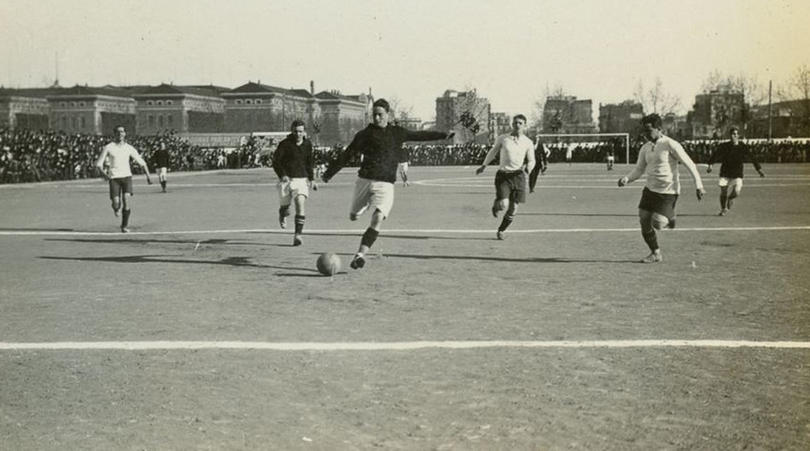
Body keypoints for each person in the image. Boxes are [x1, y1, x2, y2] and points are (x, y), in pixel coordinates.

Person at [322, 98, 452, 269]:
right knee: (353, 216)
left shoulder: (397, 132)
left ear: (387, 115)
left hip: (386, 183)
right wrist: (329, 173)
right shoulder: (364, 135)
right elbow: (347, 155)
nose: (376, 118)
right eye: (374, 115)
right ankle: (361, 207)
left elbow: (420, 135)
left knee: (378, 217)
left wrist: (443, 134)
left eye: (380, 115)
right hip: (365, 180)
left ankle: (360, 255)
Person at [618, 114, 705, 263]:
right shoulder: (645, 148)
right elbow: (639, 169)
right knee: (644, 219)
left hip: (668, 192)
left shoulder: (670, 144)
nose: (645, 134)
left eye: (648, 130)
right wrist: (627, 179)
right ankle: (655, 253)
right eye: (644, 131)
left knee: (657, 223)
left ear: (659, 129)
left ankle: (670, 217)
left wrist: (699, 185)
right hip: (650, 190)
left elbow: (689, 164)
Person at [475, 114, 536, 240]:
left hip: (518, 176)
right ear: (512, 124)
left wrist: (529, 168)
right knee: (503, 204)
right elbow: (493, 151)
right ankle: (496, 205)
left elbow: (532, 160)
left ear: (524, 125)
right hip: (503, 176)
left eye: (520, 123)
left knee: (513, 209)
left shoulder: (528, 142)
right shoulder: (503, 138)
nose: (517, 125)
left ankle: (501, 230)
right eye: (515, 123)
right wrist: (484, 165)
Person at [95, 125, 152, 233]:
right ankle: (116, 209)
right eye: (118, 132)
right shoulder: (108, 147)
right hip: (114, 178)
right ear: (114, 134)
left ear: (125, 134)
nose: (120, 134)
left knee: (126, 201)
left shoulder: (129, 148)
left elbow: (142, 162)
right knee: (116, 203)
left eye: (122, 132)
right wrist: (105, 175)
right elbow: (99, 164)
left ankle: (124, 226)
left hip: (126, 177)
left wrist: (148, 176)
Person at [272, 119, 316, 246]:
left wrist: (312, 179)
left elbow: (309, 162)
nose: (298, 134)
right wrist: (283, 175)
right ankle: (282, 213)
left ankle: (298, 235)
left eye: (301, 132)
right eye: (296, 132)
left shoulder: (308, 144)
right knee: (286, 208)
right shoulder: (284, 144)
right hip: (286, 181)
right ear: (292, 131)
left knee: (299, 203)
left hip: (301, 180)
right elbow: (276, 162)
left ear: (304, 132)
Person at [707, 127, 764, 216]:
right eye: (734, 134)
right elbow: (716, 155)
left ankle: (730, 199)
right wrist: (710, 165)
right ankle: (723, 209)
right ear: (730, 135)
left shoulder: (742, 146)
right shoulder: (724, 146)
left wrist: (759, 169)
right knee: (723, 191)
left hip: (737, 172)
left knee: (737, 191)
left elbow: (752, 157)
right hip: (725, 172)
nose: (735, 135)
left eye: (737, 134)